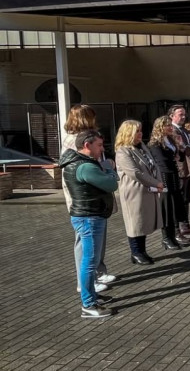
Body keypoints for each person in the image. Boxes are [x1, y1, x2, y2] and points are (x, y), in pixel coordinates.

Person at [60, 130, 119, 318]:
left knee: (90, 261)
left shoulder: (82, 163)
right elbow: (112, 184)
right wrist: (109, 168)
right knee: (89, 262)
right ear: (87, 145)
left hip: (90, 215)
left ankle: (92, 297)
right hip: (89, 217)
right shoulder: (85, 167)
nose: (102, 149)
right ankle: (88, 304)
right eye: (99, 145)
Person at [62, 104, 115, 293]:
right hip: (84, 199)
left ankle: (98, 271)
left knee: (98, 237)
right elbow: (73, 171)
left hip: (98, 194)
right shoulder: (73, 140)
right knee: (85, 241)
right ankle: (84, 281)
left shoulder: (91, 136)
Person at [114, 120, 163, 266]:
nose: (140, 134)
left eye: (141, 131)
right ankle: (136, 252)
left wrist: (159, 181)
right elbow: (135, 173)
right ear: (128, 133)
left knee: (143, 222)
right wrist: (156, 183)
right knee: (135, 223)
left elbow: (153, 165)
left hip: (147, 191)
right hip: (134, 192)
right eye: (137, 131)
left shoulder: (142, 146)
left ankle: (142, 251)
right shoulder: (123, 151)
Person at [147, 116, 188, 248]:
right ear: (160, 128)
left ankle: (174, 236)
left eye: (171, 125)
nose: (171, 127)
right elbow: (162, 162)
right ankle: (166, 238)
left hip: (174, 176)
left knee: (175, 207)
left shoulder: (170, 140)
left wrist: (179, 151)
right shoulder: (154, 144)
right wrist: (173, 157)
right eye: (167, 125)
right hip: (164, 178)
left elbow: (180, 156)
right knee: (167, 208)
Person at [168, 105, 190, 236]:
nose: (183, 117)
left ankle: (185, 225)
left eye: (184, 114)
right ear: (172, 116)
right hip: (180, 170)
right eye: (180, 114)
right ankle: (178, 228)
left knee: (186, 199)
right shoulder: (171, 131)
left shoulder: (185, 131)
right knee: (179, 200)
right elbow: (183, 148)